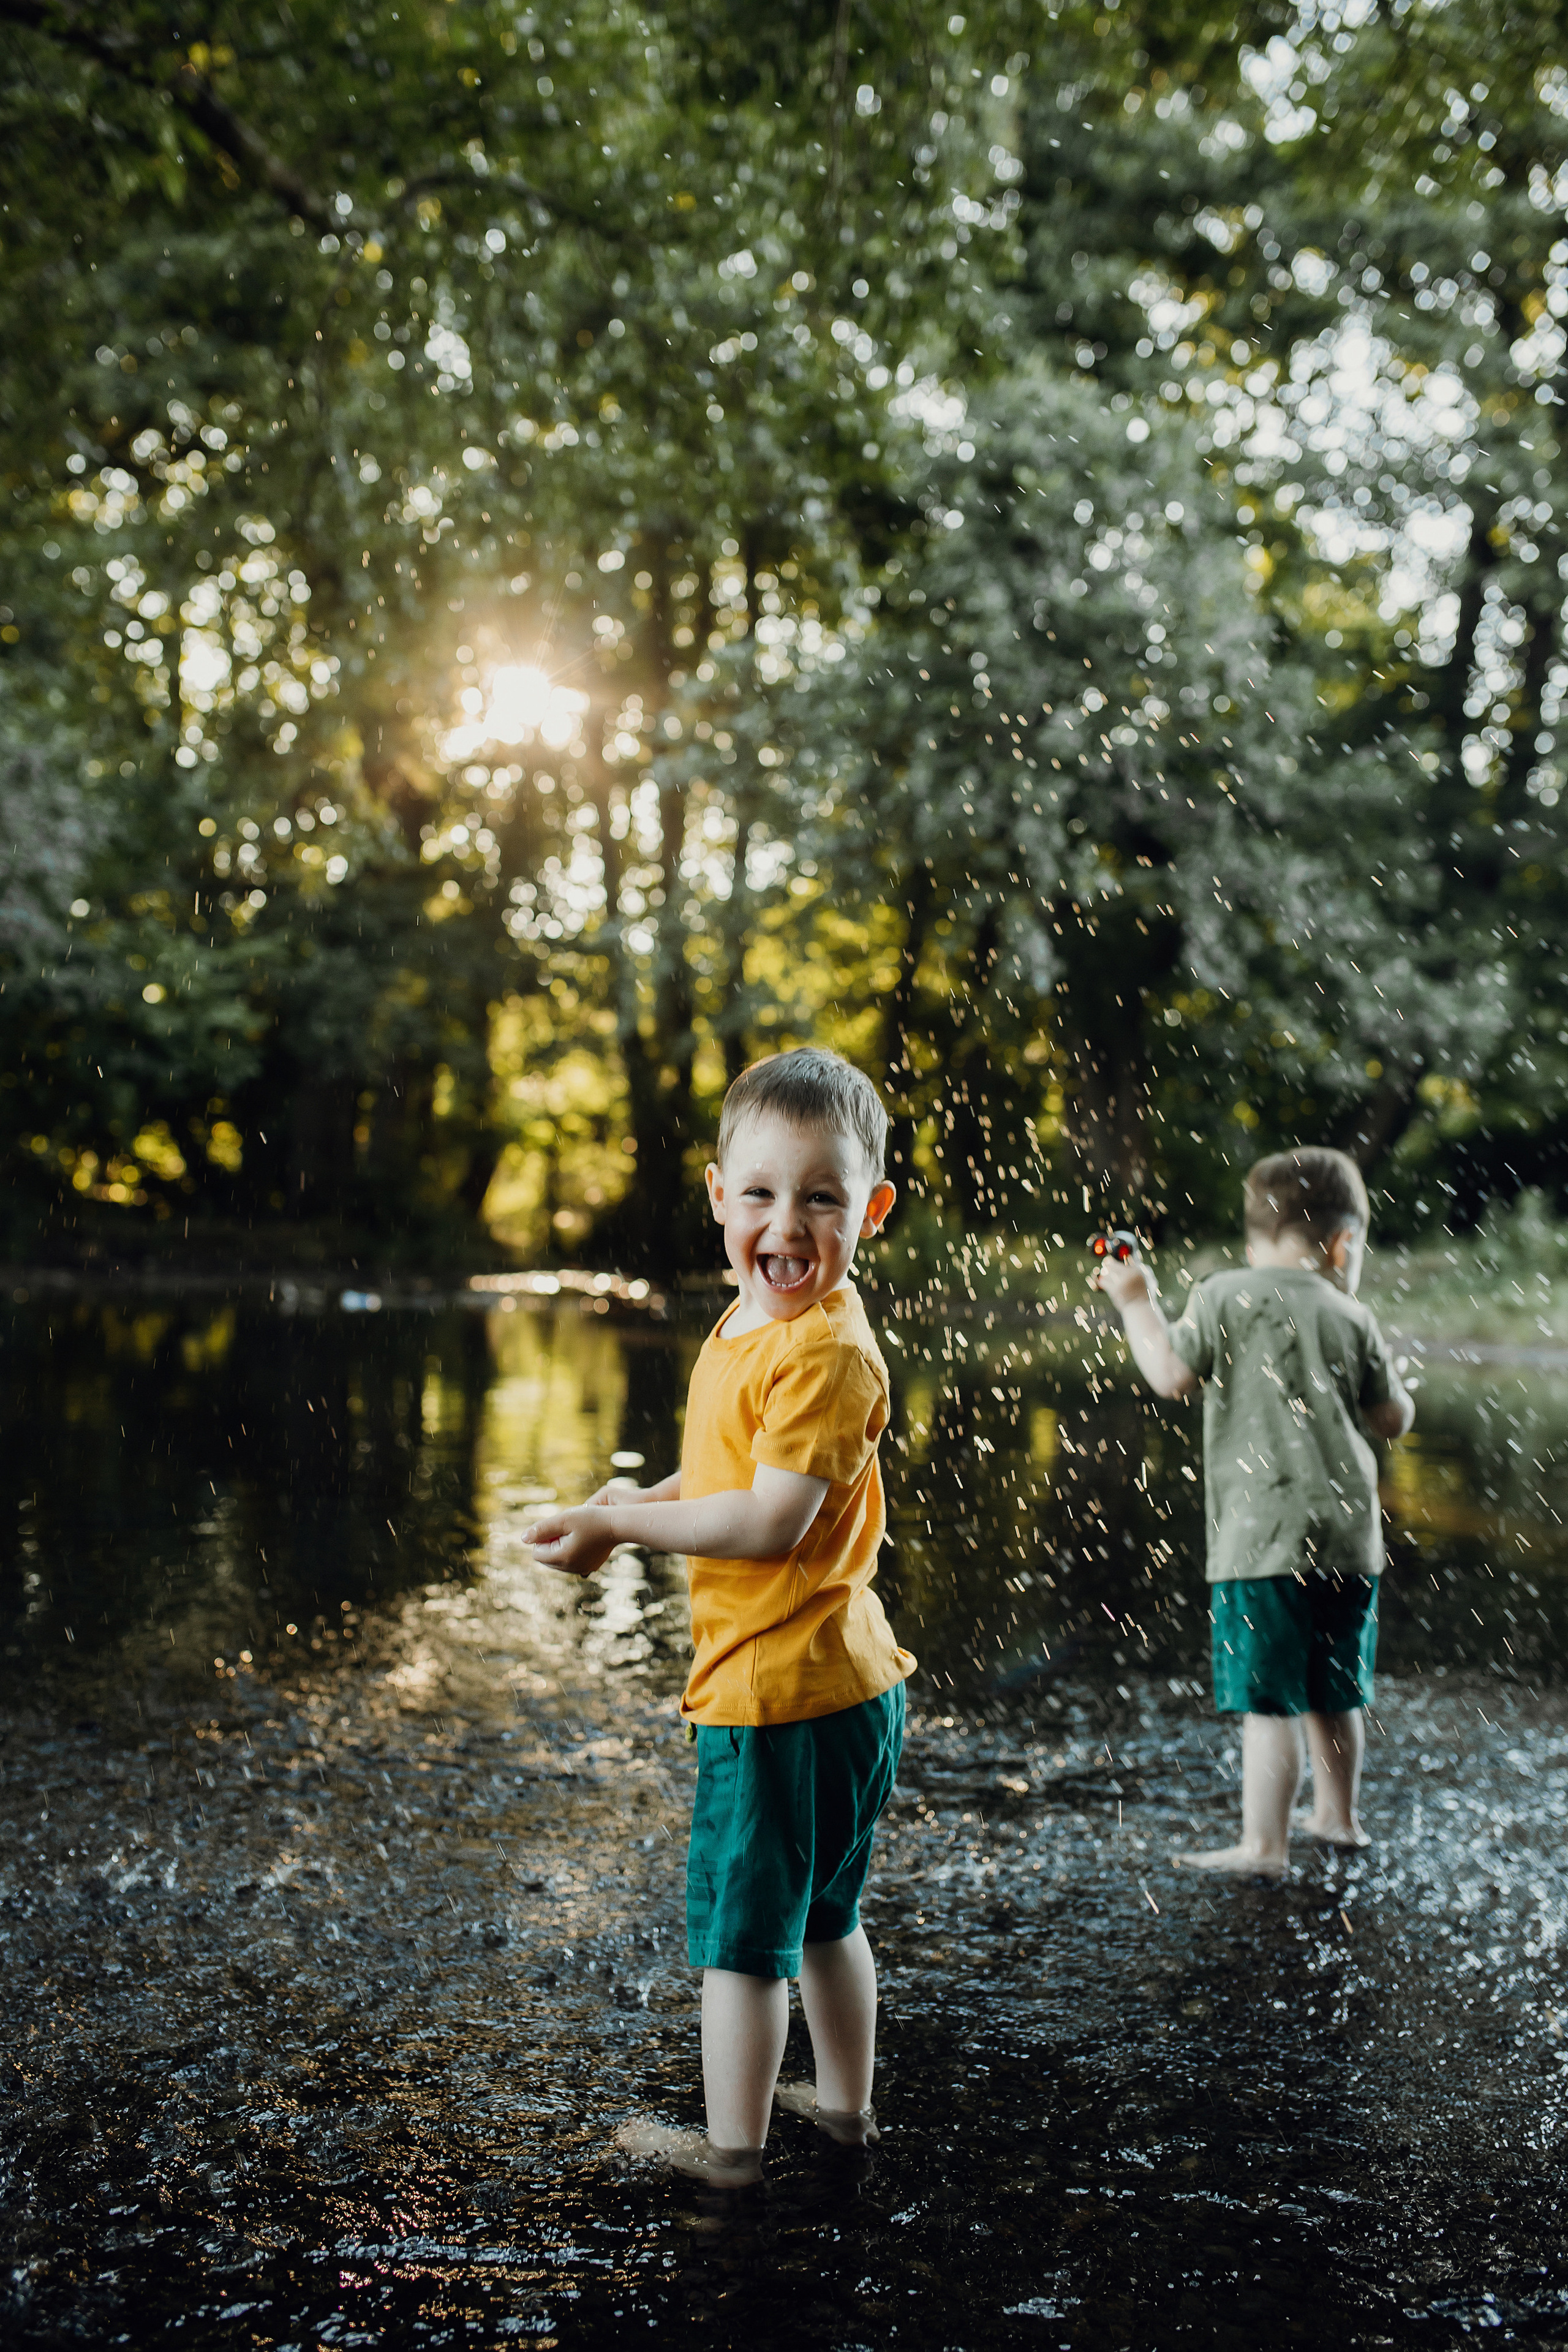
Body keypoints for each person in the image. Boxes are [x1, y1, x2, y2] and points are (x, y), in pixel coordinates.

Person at [524, 1047, 914, 2180]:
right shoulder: (758, 1322)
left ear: (872, 1211)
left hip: (778, 1698)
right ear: (717, 1197)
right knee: (828, 1916)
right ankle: (843, 2107)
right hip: (839, 1685)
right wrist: (624, 1504)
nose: (786, 1225)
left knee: (744, 1944)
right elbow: (725, 1475)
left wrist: (619, 1530)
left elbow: (769, 1522)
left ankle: (729, 2155)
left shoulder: (826, 1350)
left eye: (823, 1198)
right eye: (760, 1193)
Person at [1093, 1146, 1414, 1875]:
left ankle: (1263, 1847)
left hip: (1262, 1541)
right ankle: (1338, 1818)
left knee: (1269, 1701)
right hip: (1348, 1542)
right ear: (1342, 1244)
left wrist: (1136, 1300)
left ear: (1254, 1237)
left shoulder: (1223, 1295)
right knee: (1334, 1690)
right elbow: (1392, 1418)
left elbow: (1170, 1374)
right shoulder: (1350, 1312)